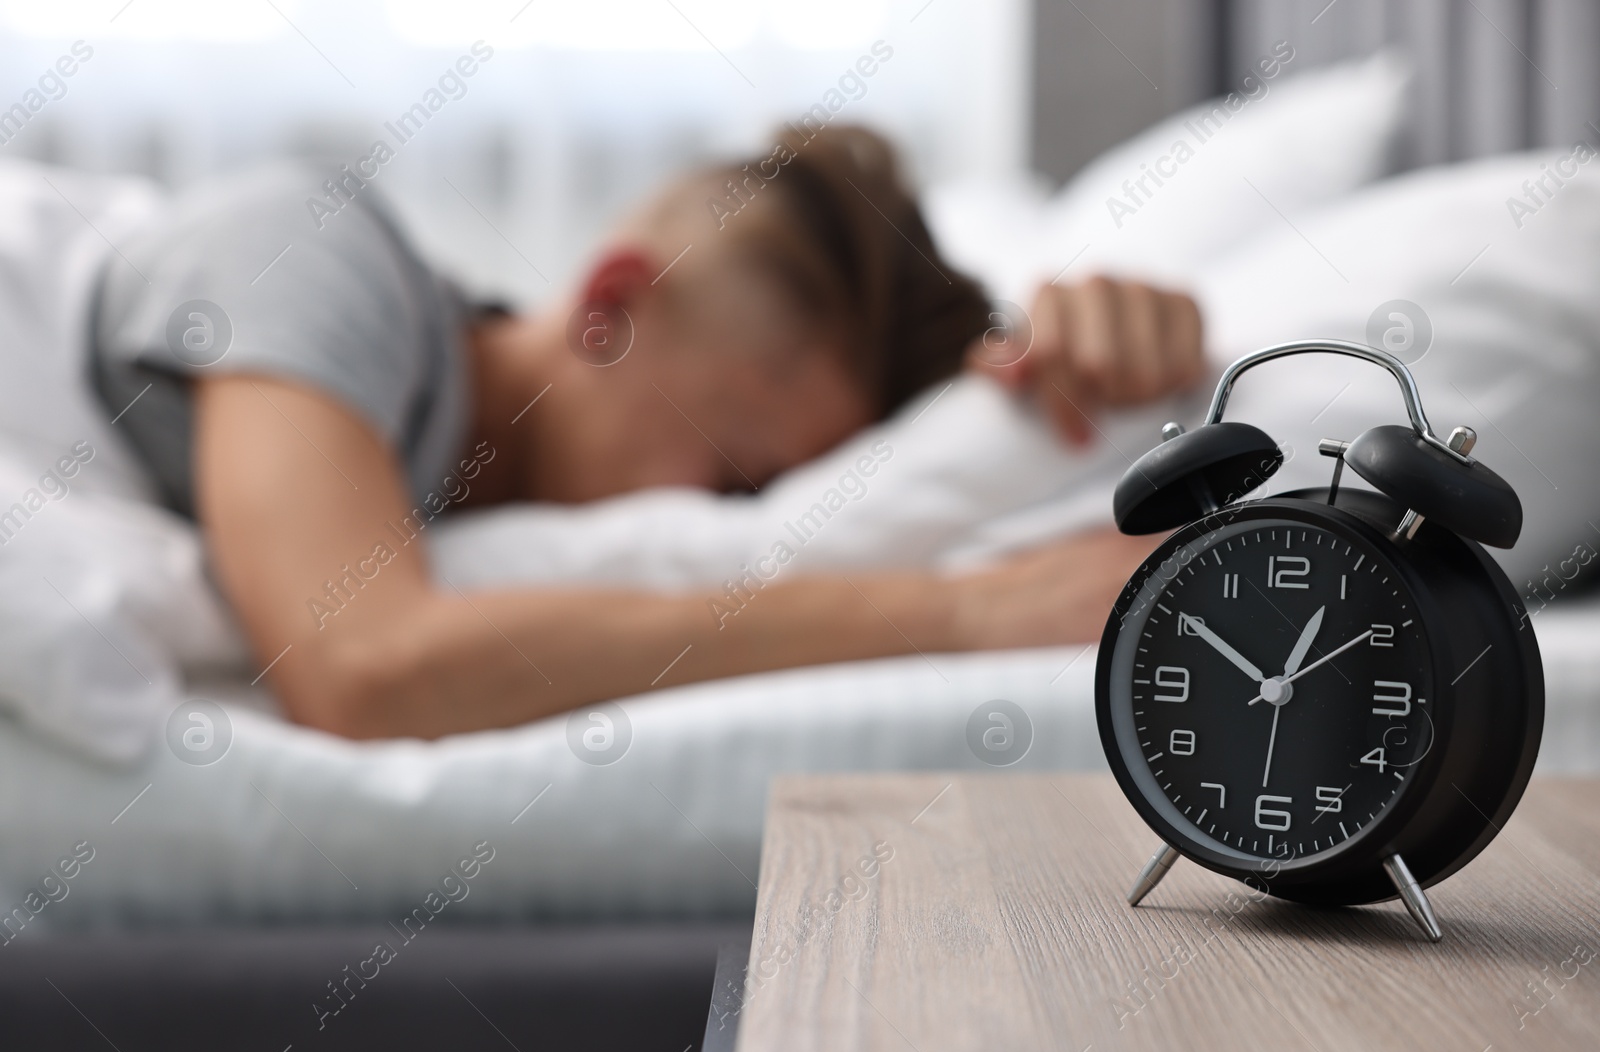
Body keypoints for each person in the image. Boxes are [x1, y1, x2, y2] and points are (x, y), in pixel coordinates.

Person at [90, 125, 1204, 740]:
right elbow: (364, 667)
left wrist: (1101, 349)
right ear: (609, 307)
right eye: (731, 478)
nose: (712, 527)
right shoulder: (311, 249)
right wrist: (968, 611)